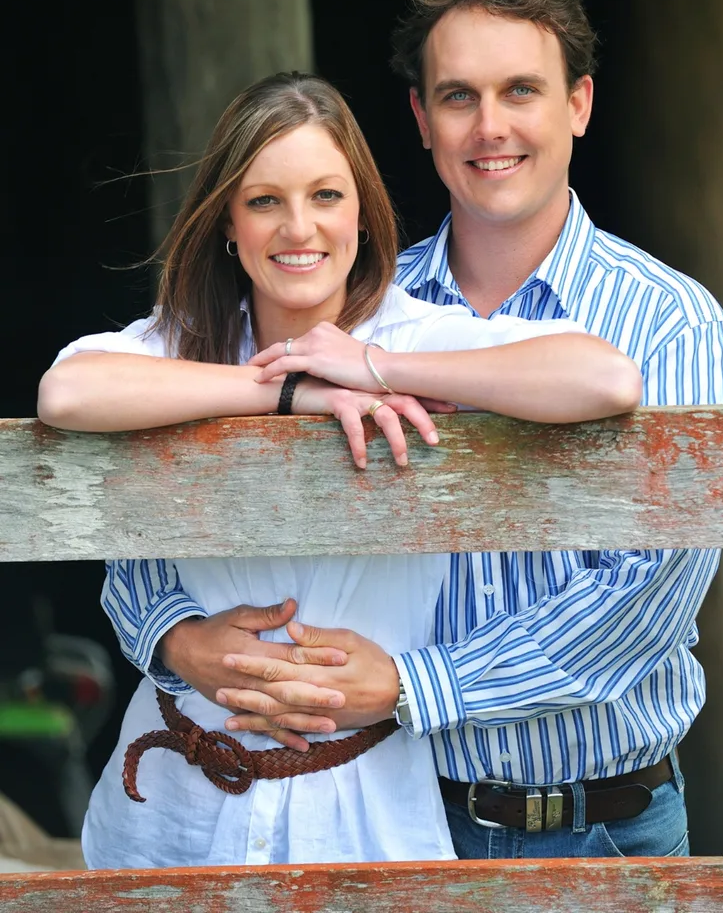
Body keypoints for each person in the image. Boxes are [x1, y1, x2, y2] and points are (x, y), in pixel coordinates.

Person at [93, 0, 723, 861]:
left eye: (520, 90)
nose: (490, 127)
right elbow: (154, 501)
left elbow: (646, 601)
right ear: (420, 121)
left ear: (579, 105)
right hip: (395, 807)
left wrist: (411, 683)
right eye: (456, 96)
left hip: (600, 820)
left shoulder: (667, 323)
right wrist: (173, 635)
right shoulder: (345, 300)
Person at [37, 70, 641, 868]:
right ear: (227, 219)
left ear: (362, 209)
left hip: (360, 798)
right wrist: (286, 392)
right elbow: (66, 390)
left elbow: (604, 380)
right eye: (264, 201)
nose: (298, 229)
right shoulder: (180, 341)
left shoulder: (414, 335)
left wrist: (374, 368)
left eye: (325, 196)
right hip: (175, 803)